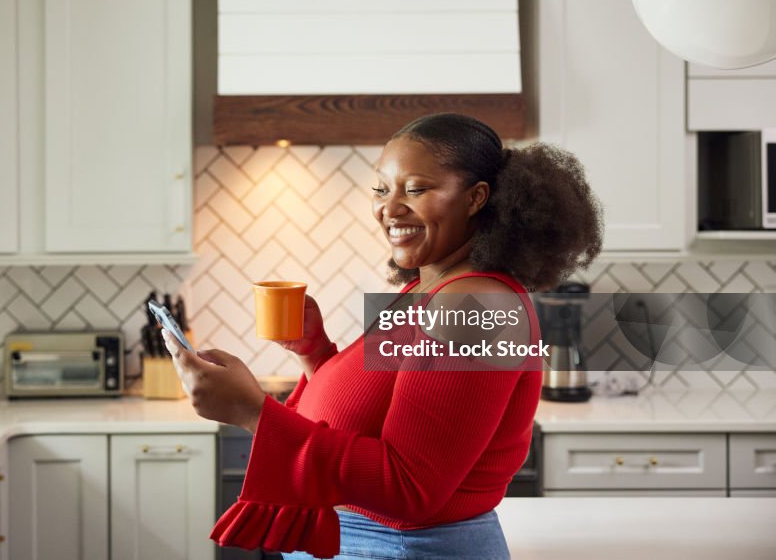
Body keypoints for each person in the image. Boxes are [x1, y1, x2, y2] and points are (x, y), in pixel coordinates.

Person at [162, 113, 603, 559]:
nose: (389, 209)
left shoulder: (474, 307)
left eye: (416, 189)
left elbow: (410, 488)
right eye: (380, 189)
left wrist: (251, 411)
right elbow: (373, 417)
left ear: (476, 198)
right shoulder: (428, 289)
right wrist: (315, 353)